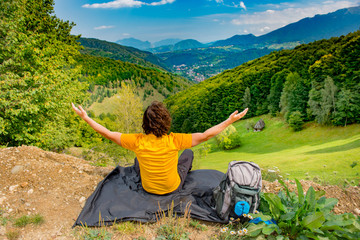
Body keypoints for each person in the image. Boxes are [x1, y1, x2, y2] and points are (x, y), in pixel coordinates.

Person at [72, 101, 248, 195]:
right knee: (187, 153)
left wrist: (86, 117)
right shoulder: (175, 140)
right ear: (166, 121)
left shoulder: (137, 142)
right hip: (172, 187)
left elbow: (108, 133)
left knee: (137, 158)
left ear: (145, 123)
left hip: (148, 188)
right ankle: (179, 177)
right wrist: (229, 121)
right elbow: (205, 135)